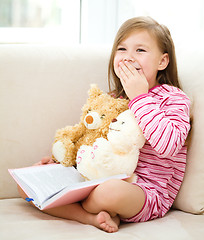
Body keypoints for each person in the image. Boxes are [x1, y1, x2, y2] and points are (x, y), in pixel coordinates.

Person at [18, 16, 191, 233]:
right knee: (27, 182)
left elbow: (169, 145)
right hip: (96, 178)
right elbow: (91, 141)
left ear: (162, 61)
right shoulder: (111, 100)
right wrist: (62, 163)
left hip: (145, 191)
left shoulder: (174, 98)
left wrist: (139, 97)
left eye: (140, 50)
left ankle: (92, 205)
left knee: (108, 192)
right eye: (122, 49)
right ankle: (90, 217)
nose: (128, 58)